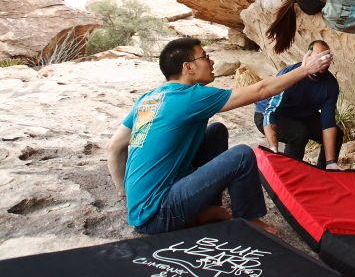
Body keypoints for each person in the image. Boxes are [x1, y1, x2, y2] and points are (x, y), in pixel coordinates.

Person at [105, 37, 331, 235]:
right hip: (161, 216)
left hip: (142, 211)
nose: (211, 61)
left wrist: (125, 196)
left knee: (216, 132)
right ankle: (246, 220)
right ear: (188, 67)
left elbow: (114, 148)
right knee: (242, 155)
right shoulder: (191, 97)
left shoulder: (149, 98)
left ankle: (205, 208)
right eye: (205, 56)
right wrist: (304, 69)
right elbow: (261, 91)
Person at [254, 40, 343, 170]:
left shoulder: (331, 84)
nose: (323, 61)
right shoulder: (290, 74)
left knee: (337, 135)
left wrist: (331, 162)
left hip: (300, 114)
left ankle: (326, 172)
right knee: (299, 133)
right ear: (308, 56)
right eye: (318, 56)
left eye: (326, 57)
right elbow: (271, 112)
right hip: (267, 114)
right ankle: (289, 174)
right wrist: (274, 150)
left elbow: (328, 123)